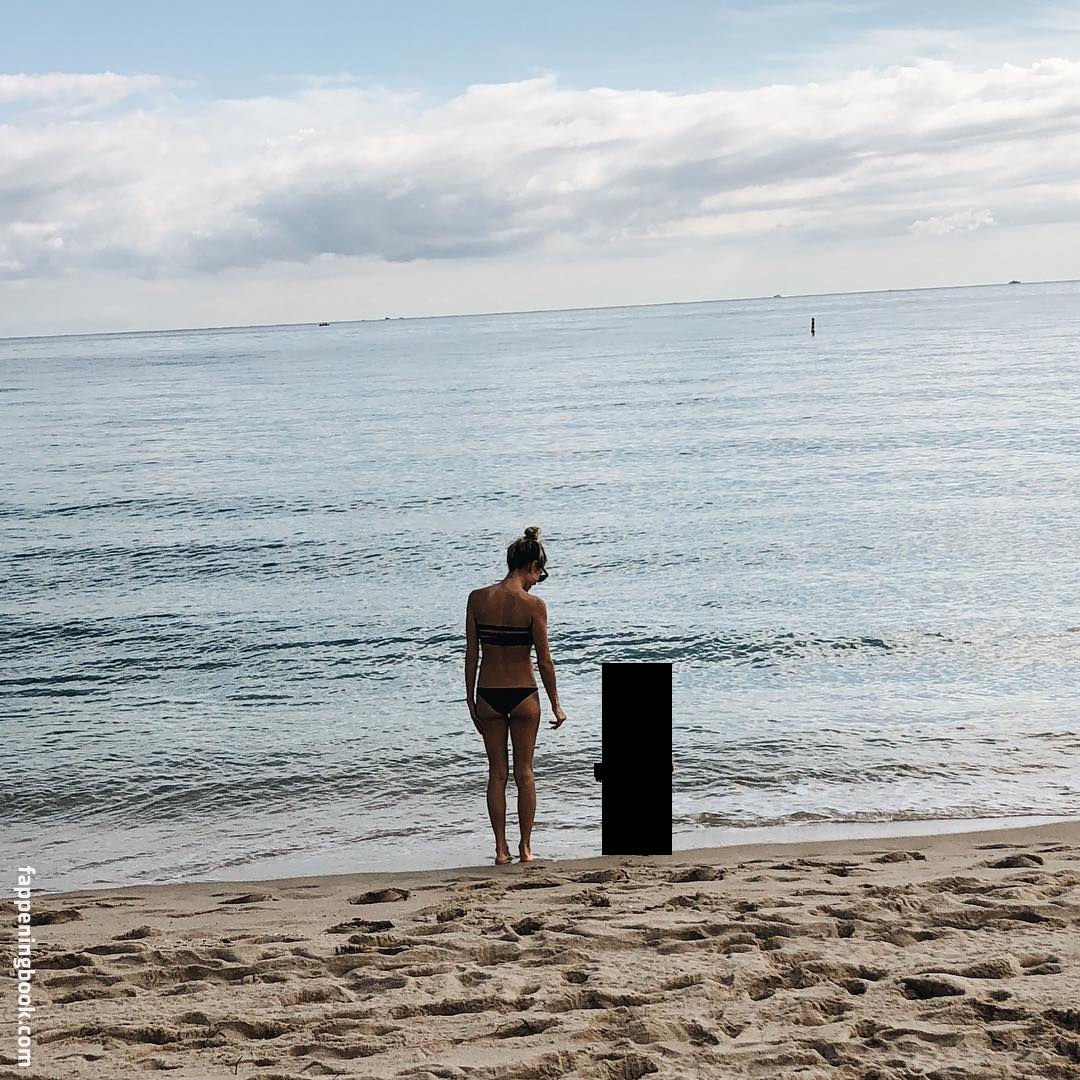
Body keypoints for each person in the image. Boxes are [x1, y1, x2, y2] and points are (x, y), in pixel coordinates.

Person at [465, 526, 566, 865]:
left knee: (497, 774)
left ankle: (500, 849)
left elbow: (471, 655)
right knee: (525, 773)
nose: (538, 582)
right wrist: (556, 704)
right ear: (532, 566)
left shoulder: (477, 598)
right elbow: (545, 660)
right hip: (524, 694)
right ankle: (524, 848)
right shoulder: (534, 605)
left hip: (488, 693)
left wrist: (470, 699)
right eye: (540, 574)